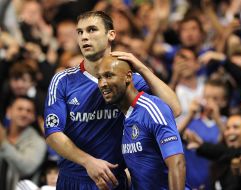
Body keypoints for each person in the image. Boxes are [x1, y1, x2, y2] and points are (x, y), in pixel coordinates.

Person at [44, 11, 181, 190]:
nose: (84, 37)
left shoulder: (129, 79)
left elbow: (174, 109)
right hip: (73, 180)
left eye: (91, 30)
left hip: (113, 181)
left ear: (111, 35)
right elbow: (53, 134)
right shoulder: (63, 80)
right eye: (80, 32)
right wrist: (88, 162)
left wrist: (142, 68)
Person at [97, 55, 187, 190]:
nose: (103, 83)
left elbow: (177, 163)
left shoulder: (152, 108)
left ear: (128, 77)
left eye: (109, 76)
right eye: (99, 78)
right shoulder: (124, 118)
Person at [0, 96, 47, 190]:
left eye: (29, 111)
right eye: (19, 109)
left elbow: (27, 168)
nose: (24, 113)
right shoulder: (2, 134)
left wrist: (4, 144)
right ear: (9, 111)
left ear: (34, 117)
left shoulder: (38, 141)